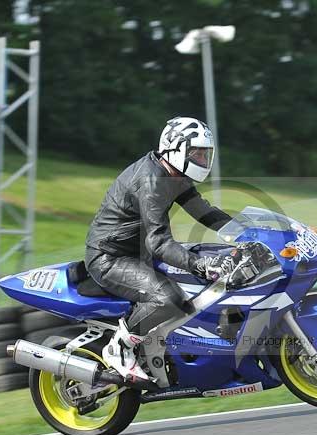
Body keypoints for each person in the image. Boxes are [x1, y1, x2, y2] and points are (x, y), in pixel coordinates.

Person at [85, 117, 236, 382]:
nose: (202, 160)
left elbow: (204, 212)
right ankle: (120, 347)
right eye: (197, 153)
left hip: (137, 252)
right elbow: (158, 242)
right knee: (167, 298)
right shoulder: (151, 181)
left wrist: (247, 231)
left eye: (204, 154)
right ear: (176, 149)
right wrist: (200, 265)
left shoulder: (174, 175)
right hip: (111, 258)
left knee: (202, 274)